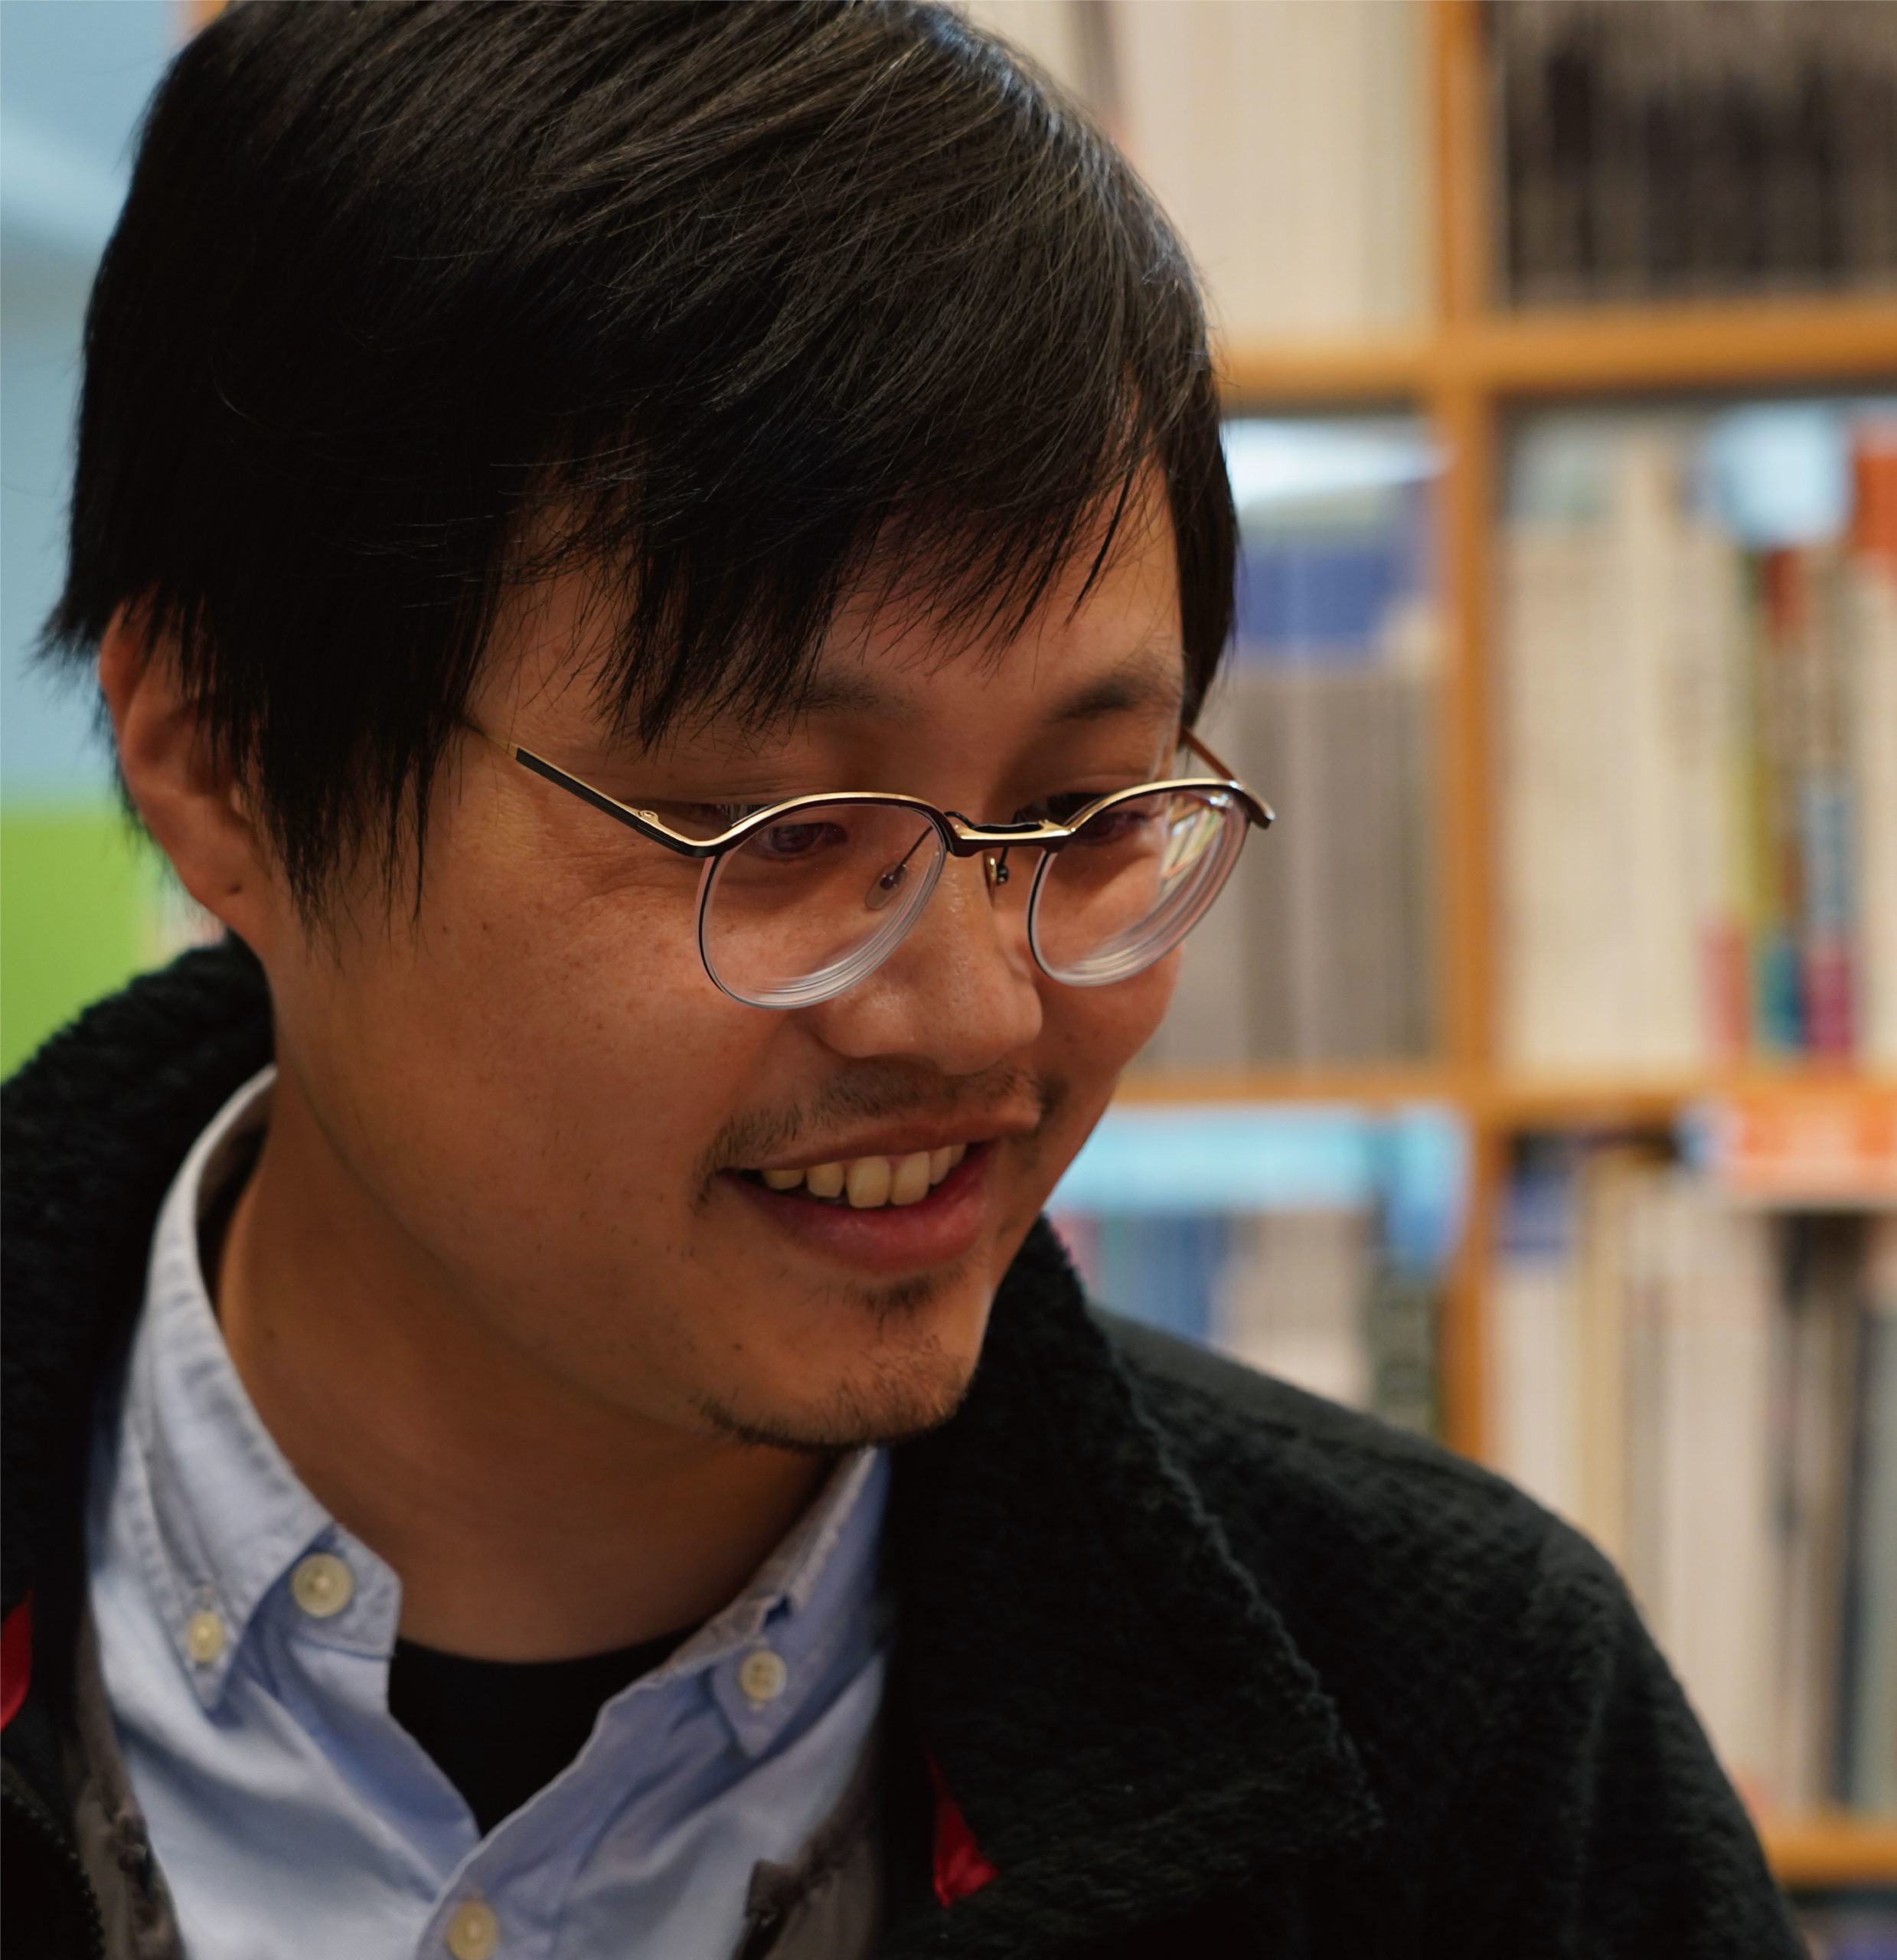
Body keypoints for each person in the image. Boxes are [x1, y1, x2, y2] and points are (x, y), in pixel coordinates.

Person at [2, 5, 1802, 1956]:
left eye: (1083, 811)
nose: (975, 1013)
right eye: (772, 829)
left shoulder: (1467, 1744)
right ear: (220, 764)